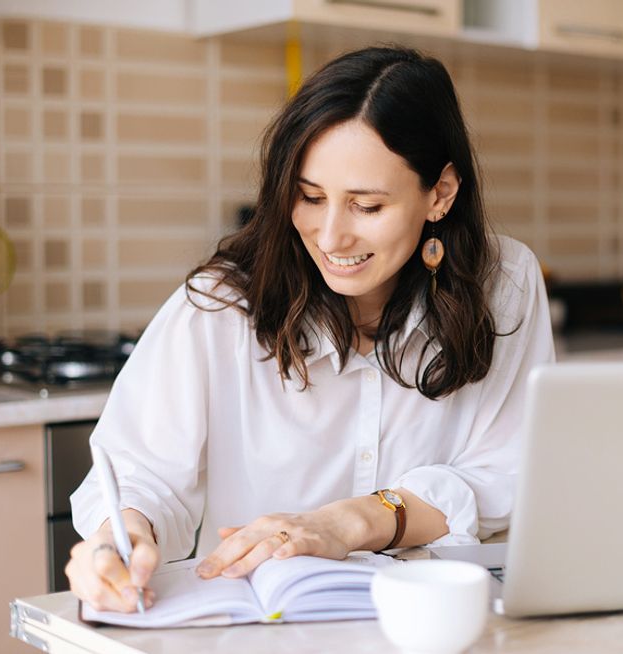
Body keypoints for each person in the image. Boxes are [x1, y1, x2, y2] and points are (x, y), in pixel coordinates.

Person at [66, 45, 555, 613]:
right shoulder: (222, 305)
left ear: (440, 193)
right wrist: (115, 538)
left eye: (366, 207)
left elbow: (509, 475)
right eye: (310, 196)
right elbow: (139, 471)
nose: (329, 237)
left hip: (432, 627)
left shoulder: (504, 283)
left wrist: (353, 520)